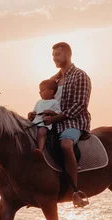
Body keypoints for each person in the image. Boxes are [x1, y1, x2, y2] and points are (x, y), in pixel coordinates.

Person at [29, 42, 92, 208]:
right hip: (51, 122)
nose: (54, 58)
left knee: (65, 145)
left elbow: (80, 105)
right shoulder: (52, 80)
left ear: (68, 55)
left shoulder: (80, 76)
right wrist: (36, 115)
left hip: (73, 120)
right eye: (53, 55)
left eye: (58, 54)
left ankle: (75, 192)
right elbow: (45, 103)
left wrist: (57, 118)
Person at [30, 79, 61, 157]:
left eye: (42, 90)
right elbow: (34, 113)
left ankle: (40, 150)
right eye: (40, 91)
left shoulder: (55, 102)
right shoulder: (39, 102)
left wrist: (51, 112)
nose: (40, 92)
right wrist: (32, 114)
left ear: (51, 92)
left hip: (45, 125)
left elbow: (58, 114)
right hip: (35, 123)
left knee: (41, 132)